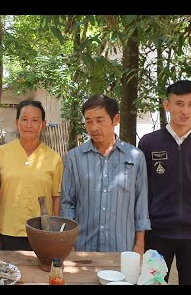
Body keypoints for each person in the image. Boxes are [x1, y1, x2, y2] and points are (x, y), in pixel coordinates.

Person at [138, 80, 191, 285]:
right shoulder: (149, 143)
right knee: (152, 283)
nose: (185, 110)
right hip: (157, 234)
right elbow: (143, 188)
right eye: (179, 103)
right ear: (167, 105)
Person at [61, 94, 150, 254]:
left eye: (99, 120)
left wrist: (140, 243)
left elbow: (141, 204)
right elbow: (67, 203)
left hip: (123, 248)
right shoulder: (74, 158)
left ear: (115, 120)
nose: (93, 127)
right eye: (88, 121)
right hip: (83, 247)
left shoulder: (135, 157)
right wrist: (70, 243)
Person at [0, 100, 63, 251]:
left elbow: (56, 196)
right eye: (24, 119)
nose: (29, 125)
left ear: (43, 124)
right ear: (17, 122)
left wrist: (55, 232)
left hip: (42, 231)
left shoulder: (53, 158)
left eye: (35, 120)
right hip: (8, 229)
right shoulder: (2, 153)